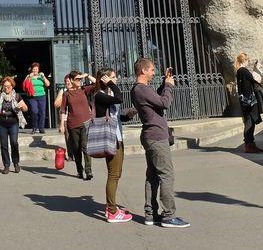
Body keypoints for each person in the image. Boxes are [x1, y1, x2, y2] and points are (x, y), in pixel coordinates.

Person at [132, 57, 189, 228]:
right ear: (143, 71)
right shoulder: (141, 89)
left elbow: (155, 101)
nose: (153, 72)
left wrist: (165, 84)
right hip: (156, 137)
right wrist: (169, 86)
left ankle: (150, 214)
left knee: (152, 176)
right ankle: (168, 215)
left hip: (151, 136)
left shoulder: (141, 90)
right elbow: (164, 103)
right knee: (166, 175)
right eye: (151, 70)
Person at [90, 68, 135, 222]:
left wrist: (127, 116)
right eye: (113, 77)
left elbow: (113, 116)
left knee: (116, 173)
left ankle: (111, 206)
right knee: (114, 174)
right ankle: (112, 211)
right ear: (104, 79)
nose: (116, 79)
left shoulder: (106, 96)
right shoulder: (100, 95)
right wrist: (110, 83)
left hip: (117, 137)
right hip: (111, 139)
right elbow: (120, 98)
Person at [58, 70, 94, 180]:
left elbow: (98, 83)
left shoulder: (84, 89)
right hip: (73, 124)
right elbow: (63, 109)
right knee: (76, 149)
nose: (80, 81)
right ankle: (79, 170)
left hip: (86, 122)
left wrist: (87, 75)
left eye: (80, 79)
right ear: (72, 80)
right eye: (77, 79)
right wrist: (62, 125)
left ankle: (88, 171)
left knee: (85, 147)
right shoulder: (67, 93)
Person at [0, 76, 29, 174]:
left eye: (8, 86)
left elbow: (26, 108)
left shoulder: (16, 96)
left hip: (13, 123)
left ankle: (16, 162)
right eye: (4, 86)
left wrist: (22, 107)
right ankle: (6, 165)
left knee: (14, 142)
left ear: (12, 86)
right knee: (3, 145)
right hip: (2, 123)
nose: (6, 88)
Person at [236, 52, 263, 154]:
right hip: (248, 101)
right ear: (244, 60)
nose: (248, 62)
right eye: (248, 60)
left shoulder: (241, 71)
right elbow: (250, 82)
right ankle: (249, 146)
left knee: (251, 122)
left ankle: (251, 145)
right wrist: (257, 69)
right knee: (249, 123)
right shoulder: (242, 70)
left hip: (247, 100)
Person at [22, 63, 50, 133]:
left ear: (38, 69)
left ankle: (41, 128)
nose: (35, 70)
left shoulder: (41, 76)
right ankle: (34, 127)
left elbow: (48, 84)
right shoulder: (29, 76)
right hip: (32, 97)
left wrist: (43, 77)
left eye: (36, 69)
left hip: (42, 96)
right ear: (31, 70)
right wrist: (28, 78)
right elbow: (24, 86)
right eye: (33, 69)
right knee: (34, 111)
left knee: (42, 112)